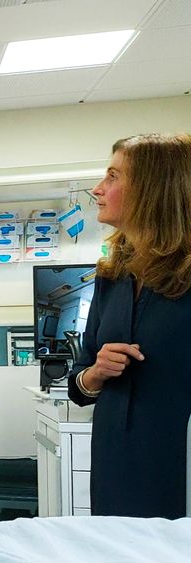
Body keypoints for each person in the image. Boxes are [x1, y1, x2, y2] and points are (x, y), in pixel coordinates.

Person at [68, 133, 191, 518]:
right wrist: (96, 374)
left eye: (113, 177)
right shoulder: (113, 275)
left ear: (155, 189)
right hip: (115, 460)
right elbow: (79, 382)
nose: (98, 189)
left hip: (175, 465)